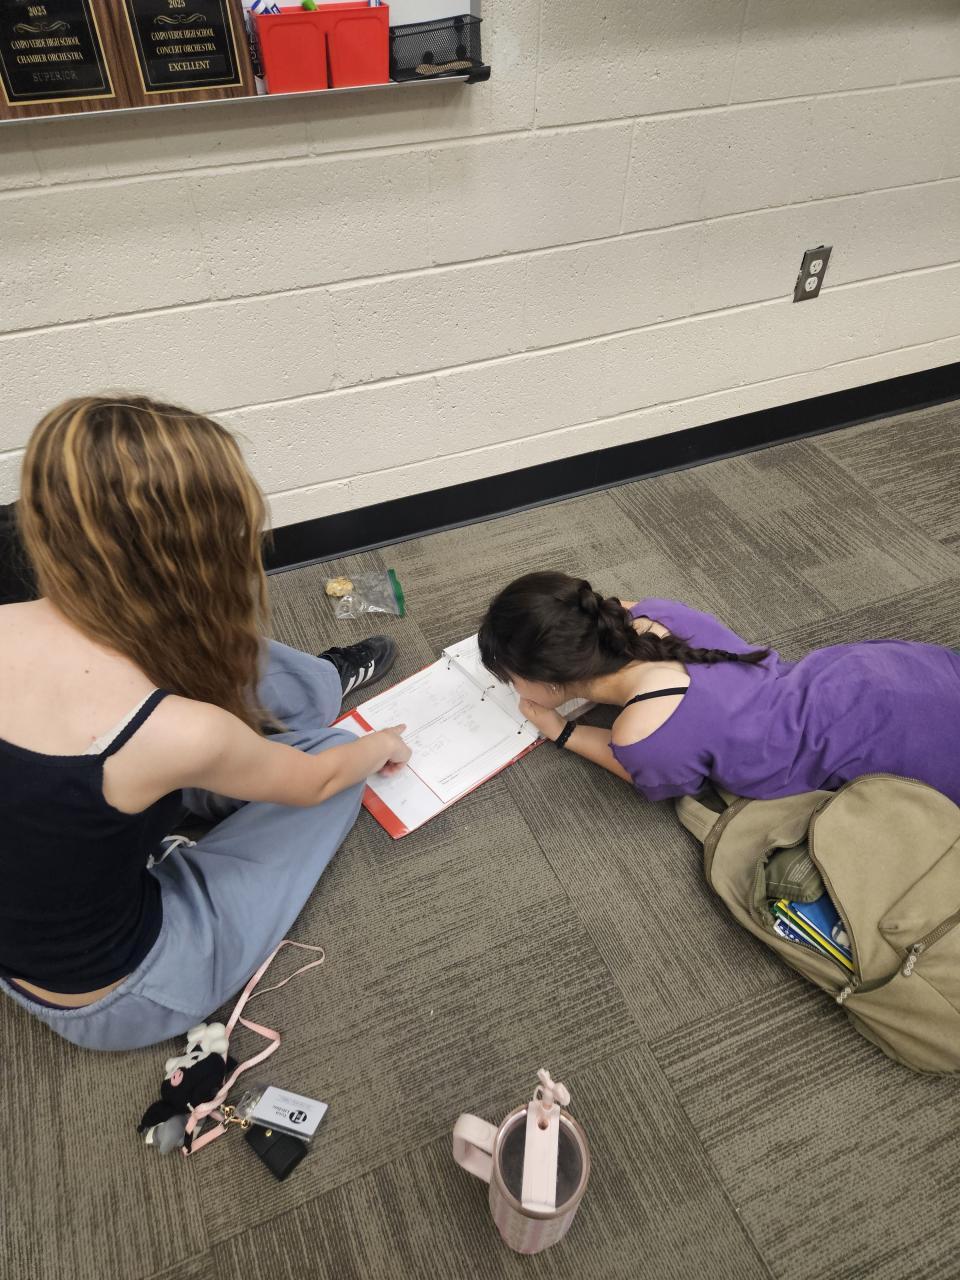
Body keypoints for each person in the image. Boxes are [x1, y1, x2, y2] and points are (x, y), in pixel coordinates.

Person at [0, 395, 410, 1051]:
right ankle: (292, 729)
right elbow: (316, 782)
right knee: (331, 759)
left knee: (239, 664)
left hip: (48, 891)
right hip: (118, 993)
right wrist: (377, 745)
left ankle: (314, 692)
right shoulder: (180, 730)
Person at [478, 571, 960, 806]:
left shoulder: (642, 736)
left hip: (900, 748)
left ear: (550, 681)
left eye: (509, 675)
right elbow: (617, 606)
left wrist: (560, 730)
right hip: (885, 672)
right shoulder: (658, 612)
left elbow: (639, 771)